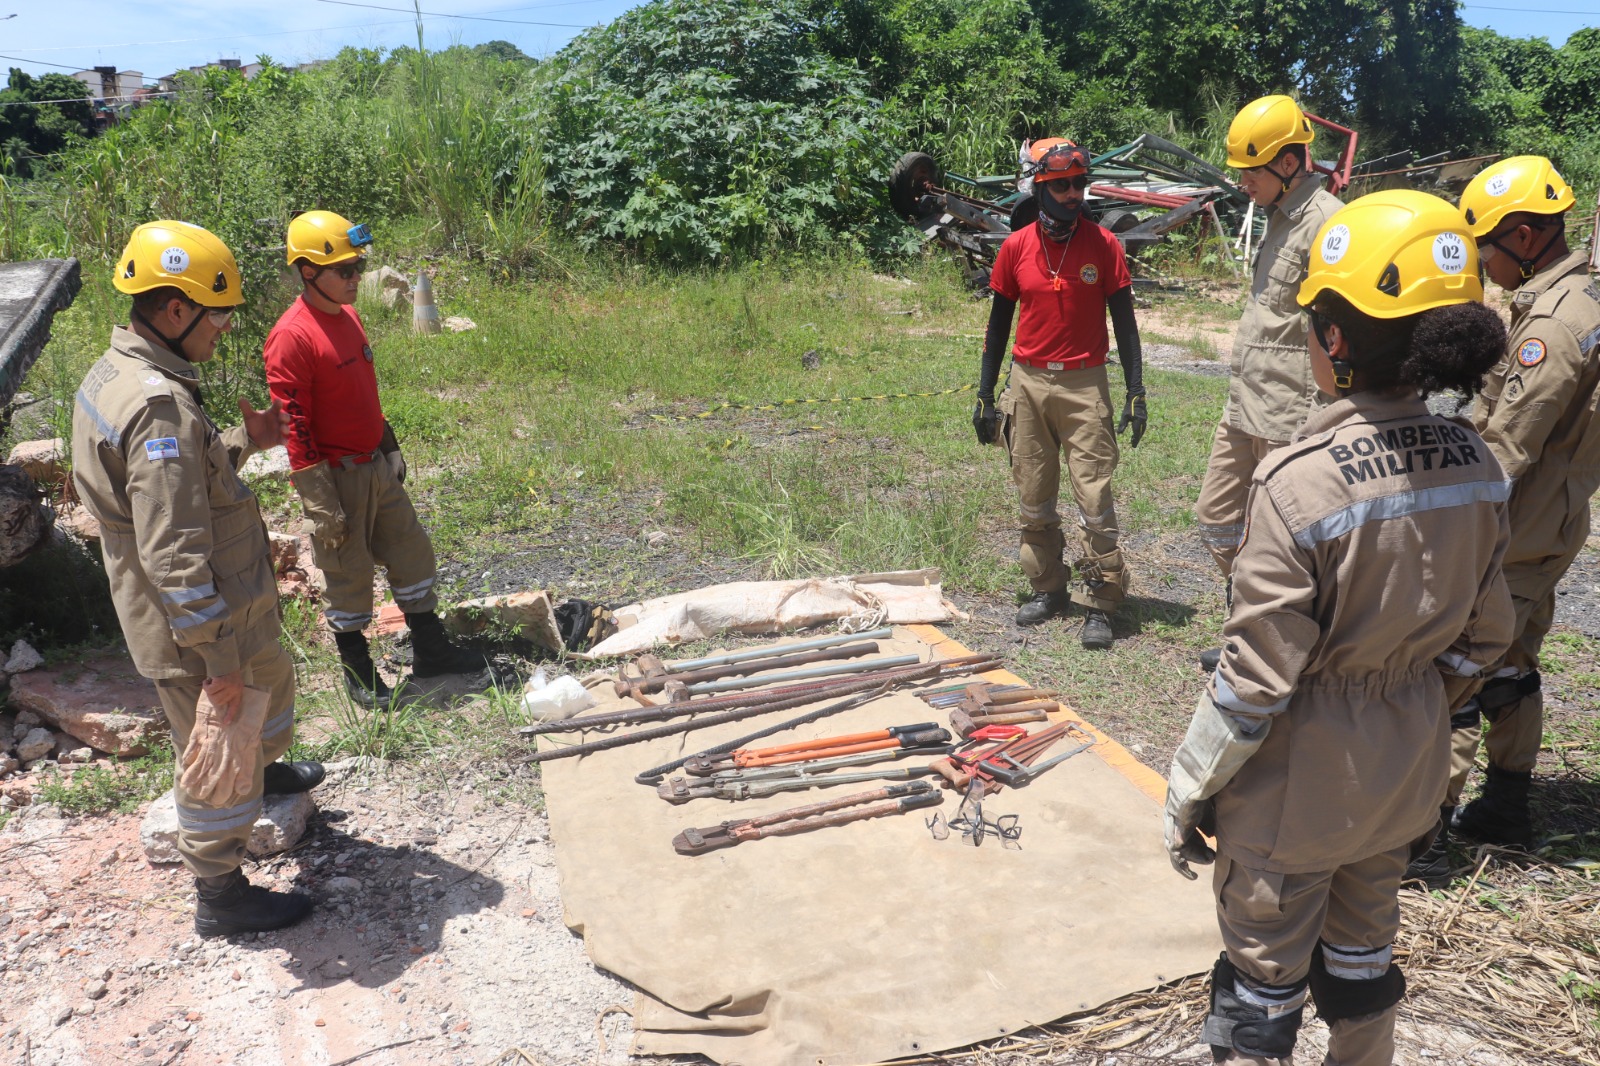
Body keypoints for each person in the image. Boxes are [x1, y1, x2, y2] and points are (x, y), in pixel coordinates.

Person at [1163, 189, 1515, 1065]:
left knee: (1259, 993)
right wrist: (1416, 704)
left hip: (1296, 794)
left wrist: (1189, 791)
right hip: (1406, 775)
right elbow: (1487, 636)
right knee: (1363, 972)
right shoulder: (1476, 461)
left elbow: (1256, 684)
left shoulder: (1296, 481)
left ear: (1337, 340)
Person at [72, 220, 323, 937]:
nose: (223, 330)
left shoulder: (124, 370)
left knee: (263, 696)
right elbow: (174, 549)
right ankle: (221, 892)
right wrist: (215, 658)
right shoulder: (158, 406)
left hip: (226, 605)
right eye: (217, 315)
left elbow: (187, 485)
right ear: (175, 309)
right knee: (215, 745)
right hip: (196, 622)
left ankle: (265, 770)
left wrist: (249, 439)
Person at [1410, 156, 1600, 879]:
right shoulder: (1581, 301)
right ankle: (1509, 804)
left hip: (1512, 528)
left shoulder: (1549, 328)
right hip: (1552, 523)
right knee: (1515, 666)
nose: (1485, 259)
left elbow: (1504, 451)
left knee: (1459, 671)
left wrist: (1443, 521)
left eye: (1487, 242)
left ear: (1524, 234)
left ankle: (1424, 837)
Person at [265, 210, 490, 706]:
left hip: (375, 465)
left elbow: (364, 392)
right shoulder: (291, 337)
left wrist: (389, 443)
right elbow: (295, 428)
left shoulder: (347, 315)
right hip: (337, 477)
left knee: (411, 554)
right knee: (348, 573)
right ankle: (358, 672)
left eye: (358, 267)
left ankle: (431, 651)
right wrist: (320, 502)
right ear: (307, 271)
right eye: (343, 270)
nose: (355, 278)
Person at [972, 137, 1147, 650]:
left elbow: (1127, 324)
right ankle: (1049, 588)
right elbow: (997, 326)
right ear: (1040, 189)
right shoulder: (1016, 247)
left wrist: (1135, 389)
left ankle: (1101, 602)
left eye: (1079, 183)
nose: (1074, 193)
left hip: (1084, 382)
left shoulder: (1103, 245)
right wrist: (986, 393)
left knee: (1094, 496)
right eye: (1061, 185)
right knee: (1033, 494)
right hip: (1026, 382)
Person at [1194, 96, 1343, 667]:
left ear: (1287, 162)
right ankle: (1257, 620)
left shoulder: (1326, 223)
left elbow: (1334, 329)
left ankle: (1276, 644)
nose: (1243, 182)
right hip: (1244, 403)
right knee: (1217, 517)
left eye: (1251, 170)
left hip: (1292, 412)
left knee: (1284, 540)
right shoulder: (1278, 218)